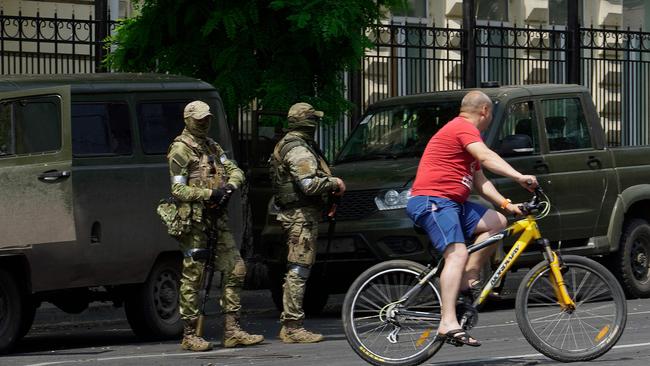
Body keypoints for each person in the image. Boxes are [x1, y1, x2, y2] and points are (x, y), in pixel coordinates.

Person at [406, 91, 538, 347]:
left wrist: (507, 205)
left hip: (453, 203)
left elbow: (480, 181)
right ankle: (447, 322)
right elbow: (488, 157)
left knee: (497, 222)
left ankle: (469, 275)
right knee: (456, 253)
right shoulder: (462, 128)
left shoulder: (465, 139)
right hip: (432, 200)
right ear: (485, 112)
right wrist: (519, 177)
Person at [167, 100, 264, 351]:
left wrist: (229, 187)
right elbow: (178, 189)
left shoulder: (212, 146)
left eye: (207, 118)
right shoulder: (180, 149)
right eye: (199, 119)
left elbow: (236, 171)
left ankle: (232, 330)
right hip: (195, 222)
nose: (204, 123)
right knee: (193, 277)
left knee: (236, 268)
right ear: (187, 119)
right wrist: (209, 195)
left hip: (217, 219)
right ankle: (190, 334)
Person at [269, 102, 346, 343]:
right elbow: (309, 184)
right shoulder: (298, 149)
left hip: (300, 215)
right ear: (309, 123)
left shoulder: (294, 144)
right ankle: (293, 326)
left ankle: (292, 324)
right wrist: (334, 183)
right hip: (300, 217)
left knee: (297, 268)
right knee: (298, 269)